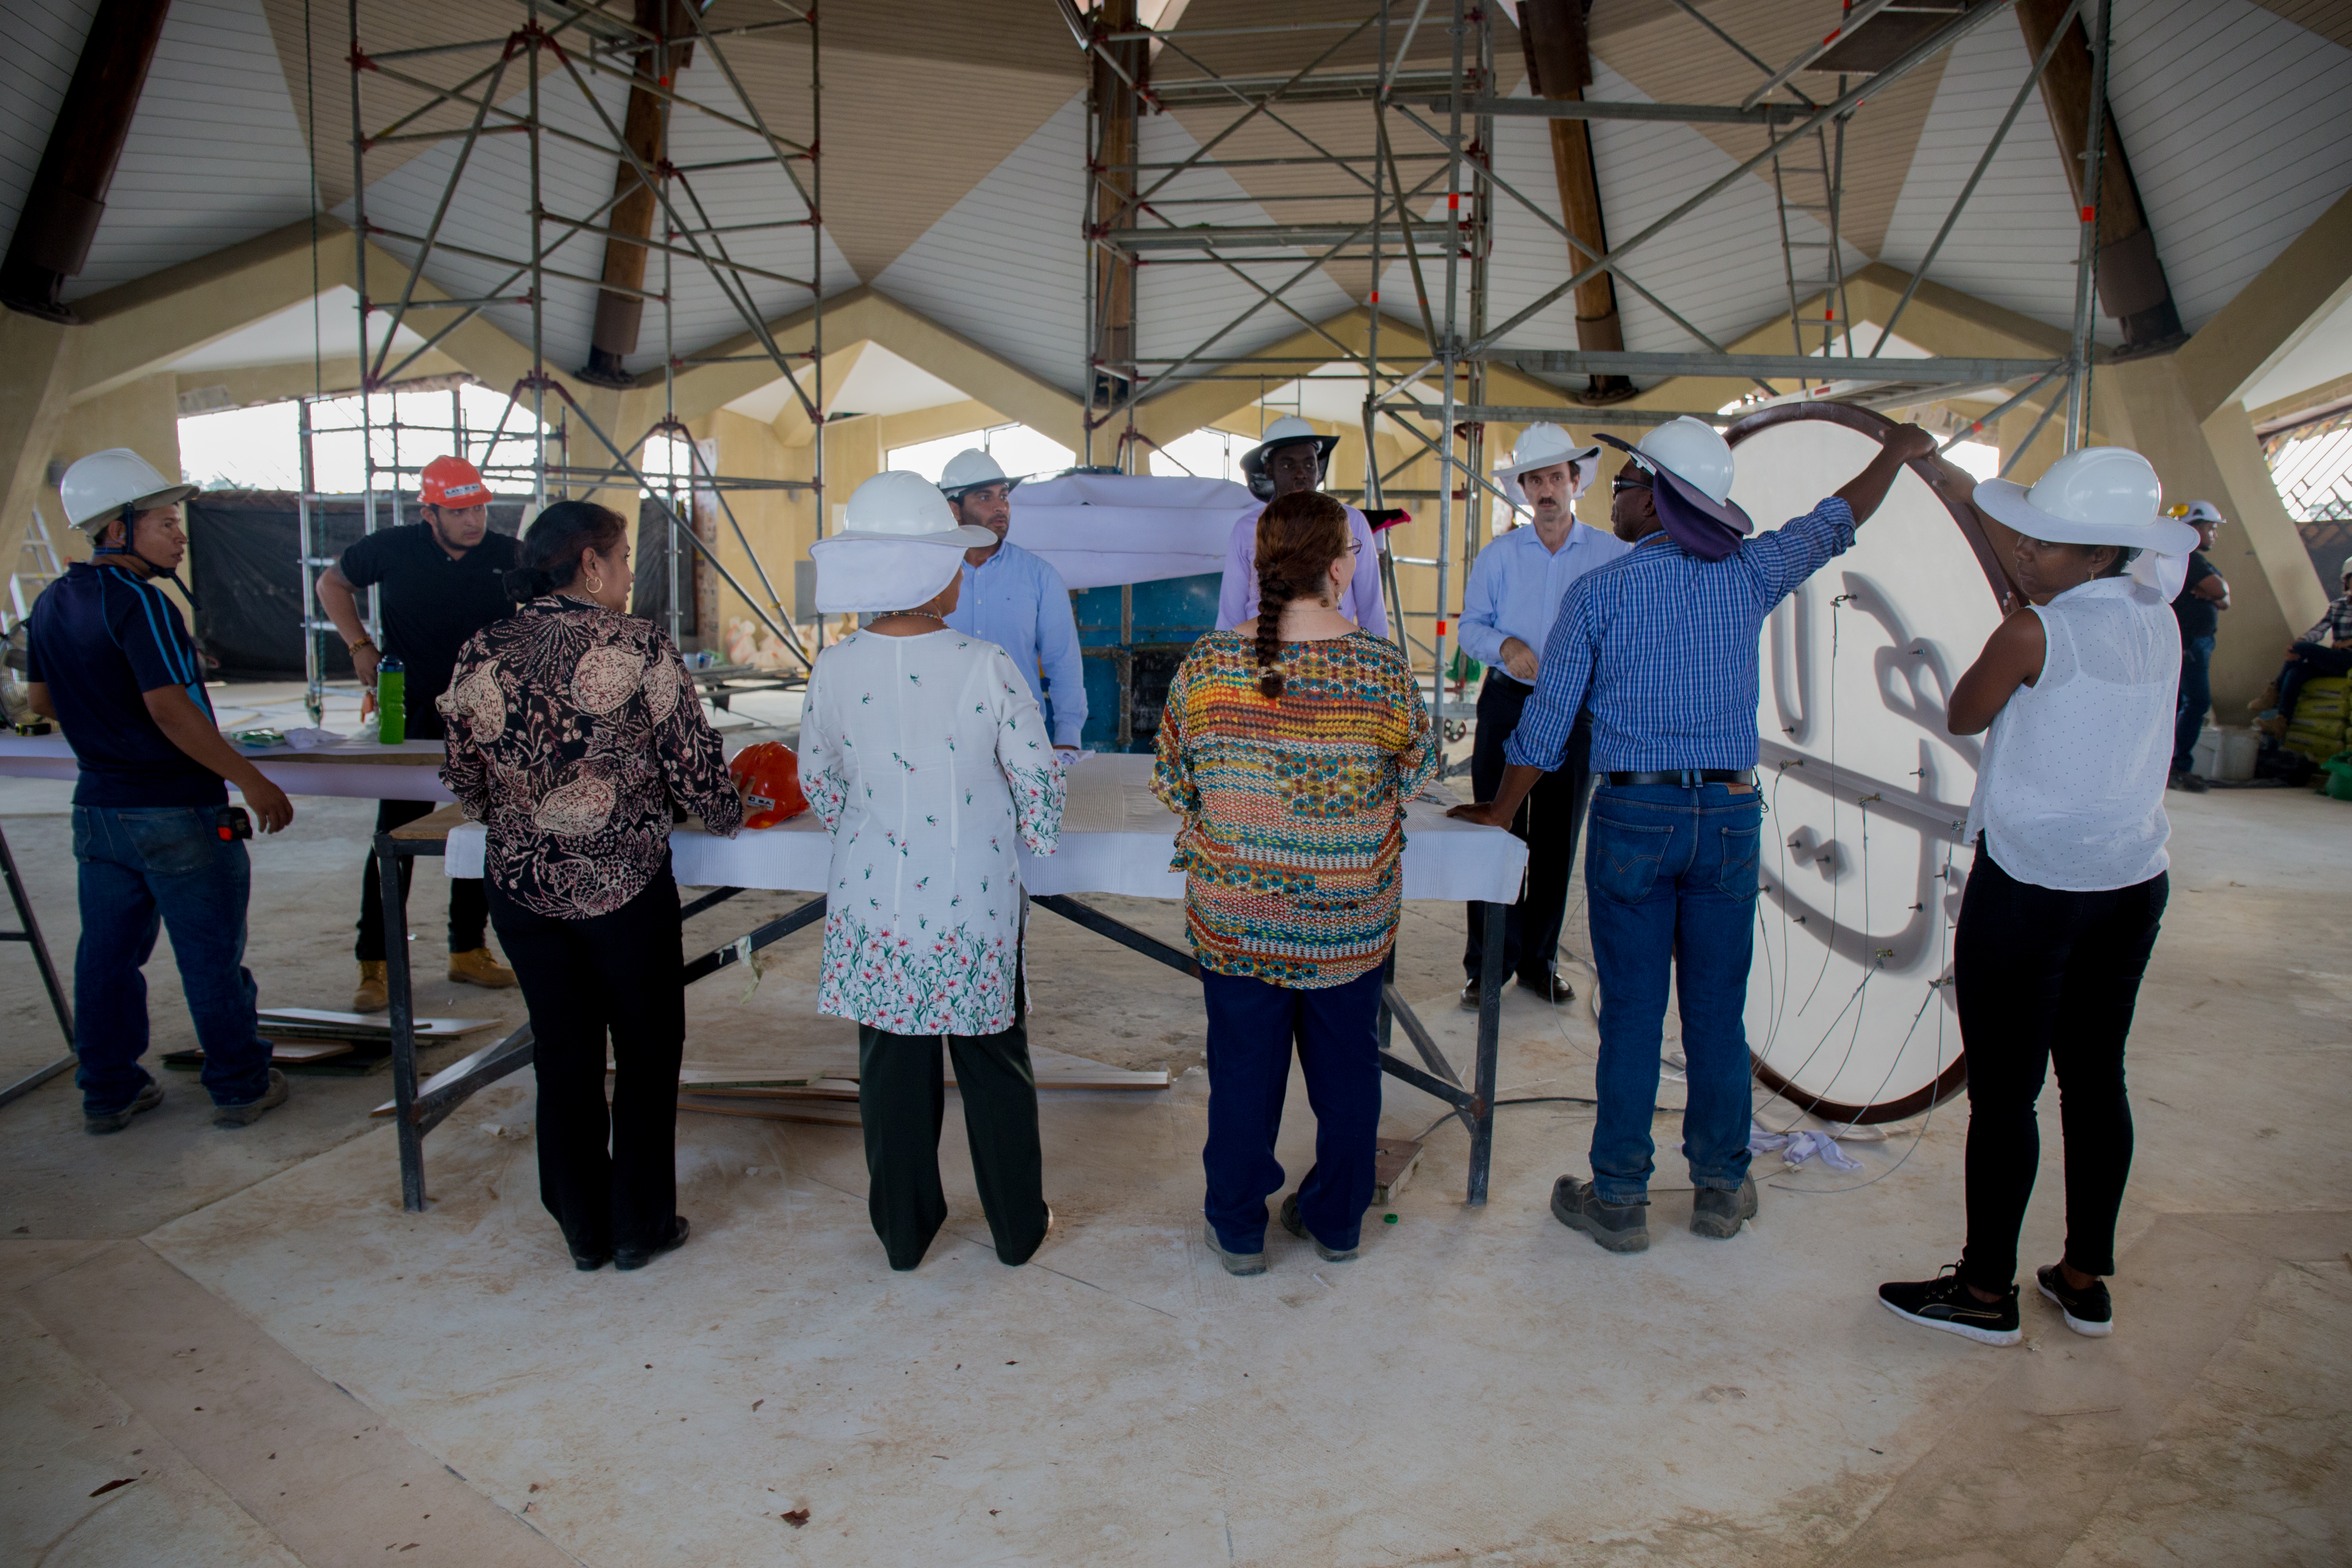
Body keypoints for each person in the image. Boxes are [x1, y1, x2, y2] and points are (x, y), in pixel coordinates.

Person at [1449, 414, 1942, 1254]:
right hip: (1728, 819)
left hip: (1636, 819)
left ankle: (1621, 1198)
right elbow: (1837, 520)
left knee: (1636, 1015)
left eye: (1628, 487)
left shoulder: (1599, 594)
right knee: (1718, 1013)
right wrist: (1895, 452)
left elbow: (1547, 725)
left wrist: (1499, 812)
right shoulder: (1749, 571)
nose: (1617, 499)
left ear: (1666, 502)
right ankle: (1719, 1187)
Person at [1877, 448, 2194, 1346]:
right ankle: (2084, 1277)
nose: (2024, 554)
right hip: (2131, 881)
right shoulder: (2156, 611)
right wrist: (1948, 477)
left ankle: (1984, 1293)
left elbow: (1964, 714)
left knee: (2007, 1096)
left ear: (2097, 553)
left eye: (2046, 546)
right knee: (2096, 1079)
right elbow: (2004, 526)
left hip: (2031, 885)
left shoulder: (2033, 633)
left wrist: (2018, 618)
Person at [438, 500, 741, 1272]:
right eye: (624, 554)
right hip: (624, 886)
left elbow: (466, 780)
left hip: (520, 887)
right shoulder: (637, 643)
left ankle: (581, 1228)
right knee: (645, 1050)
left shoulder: (481, 646)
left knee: (563, 1053)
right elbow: (697, 770)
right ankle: (639, 1224)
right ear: (590, 564)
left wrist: (523, 812)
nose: (630, 571)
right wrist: (732, 812)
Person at [1155, 491, 1438, 1276]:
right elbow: (1415, 770)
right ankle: (1338, 1219)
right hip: (1348, 916)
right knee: (1349, 1074)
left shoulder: (1211, 666)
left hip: (1238, 916)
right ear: (1343, 568)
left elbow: (1177, 782)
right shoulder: (1382, 670)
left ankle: (1238, 1227)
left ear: (1258, 565)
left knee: (1243, 1071)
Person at [799, 471, 1068, 1273]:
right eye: (954, 559)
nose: (963, 571)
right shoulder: (986, 666)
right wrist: (1037, 835)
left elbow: (821, 781)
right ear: (923, 571)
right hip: (972, 900)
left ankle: (904, 1234)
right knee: (993, 1066)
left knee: (891, 1076)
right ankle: (1018, 1229)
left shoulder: (834, 669)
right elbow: (1038, 779)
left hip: (874, 901)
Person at [26, 448, 293, 1133]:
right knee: (208, 956)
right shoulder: (143, 603)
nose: (178, 535)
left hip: (99, 812)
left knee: (107, 958)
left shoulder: (53, 600)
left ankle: (108, 1091)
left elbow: (40, 699)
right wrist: (252, 778)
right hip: (177, 808)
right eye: (164, 523)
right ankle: (239, 1086)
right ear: (117, 529)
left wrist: (103, 716)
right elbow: (172, 710)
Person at [316, 454, 520, 1011]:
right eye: (460, 512)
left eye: (480, 508)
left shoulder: (507, 556)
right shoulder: (391, 548)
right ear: (428, 512)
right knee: (396, 836)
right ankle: (375, 965)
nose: (474, 520)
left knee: (480, 829)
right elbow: (331, 583)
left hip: (485, 713)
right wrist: (360, 647)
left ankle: (468, 950)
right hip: (410, 712)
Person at [1454, 423, 1629, 1010]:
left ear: (1576, 482)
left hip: (1575, 709)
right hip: (1508, 703)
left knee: (1557, 839)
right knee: (1494, 831)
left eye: (1558, 477)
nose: (1548, 489)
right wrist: (1504, 646)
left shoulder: (1611, 554)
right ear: (1524, 489)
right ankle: (1487, 966)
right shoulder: (1500, 557)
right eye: (1537, 479)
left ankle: (1539, 963)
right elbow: (1470, 626)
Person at [936, 447, 1088, 751]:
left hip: (1023, 741)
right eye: (985, 497)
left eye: (1003, 496)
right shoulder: (930, 576)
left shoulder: (1039, 576)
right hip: (942, 739)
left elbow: (1064, 663)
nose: (1001, 507)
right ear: (954, 509)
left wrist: (1068, 739)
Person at [1214, 416, 1390, 637]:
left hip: (1335, 651)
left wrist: (1378, 658)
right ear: (1269, 470)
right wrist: (1224, 654)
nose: (1301, 474)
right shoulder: (1247, 529)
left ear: (1319, 467)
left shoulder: (1350, 522)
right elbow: (1231, 612)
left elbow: (1372, 607)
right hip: (1260, 650)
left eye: (1309, 464)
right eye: (1288, 465)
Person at [2166, 500, 2228, 794]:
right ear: (2195, 527)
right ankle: (2178, 765)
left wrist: (2219, 593)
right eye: (2211, 528)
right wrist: (2216, 592)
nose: (2214, 534)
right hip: (2190, 643)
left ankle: (2172, 764)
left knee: (2179, 703)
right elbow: (2220, 592)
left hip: (2195, 642)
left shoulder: (2191, 559)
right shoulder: (2189, 558)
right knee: (2197, 702)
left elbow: (2224, 599)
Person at [2259, 555, 2352, 724]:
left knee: (2303, 648)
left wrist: (2348, 642)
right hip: (2337, 659)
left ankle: (2274, 690)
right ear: (2347, 582)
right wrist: (2300, 641)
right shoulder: (2337, 606)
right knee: (2296, 672)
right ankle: (2281, 721)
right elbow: (2320, 629)